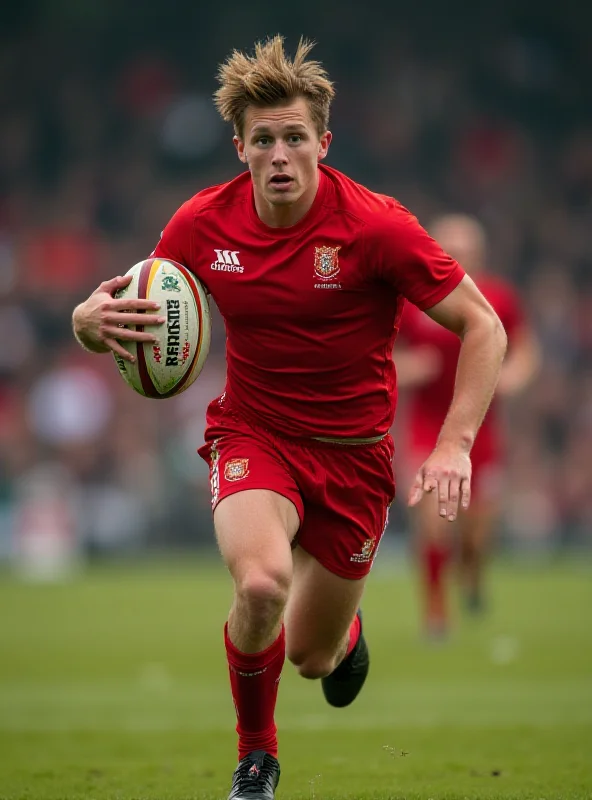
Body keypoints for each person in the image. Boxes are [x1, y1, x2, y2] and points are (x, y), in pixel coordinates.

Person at [72, 37, 508, 800]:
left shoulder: (377, 227)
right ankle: (257, 759)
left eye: (295, 137)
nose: (279, 154)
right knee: (264, 586)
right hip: (254, 436)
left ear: (323, 143)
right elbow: (131, 311)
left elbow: (484, 326)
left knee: (310, 657)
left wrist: (455, 445)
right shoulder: (200, 225)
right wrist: (86, 323)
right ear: (239, 146)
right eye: (263, 139)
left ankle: (344, 638)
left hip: (356, 459)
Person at [395, 213, 540, 638]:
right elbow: (382, 358)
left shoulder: (499, 298)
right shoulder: (412, 301)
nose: (457, 256)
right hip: (427, 427)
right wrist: (411, 367)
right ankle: (436, 611)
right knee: (434, 522)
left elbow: (525, 351)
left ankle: (473, 575)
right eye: (450, 249)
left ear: (480, 254)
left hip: (481, 429)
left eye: (466, 250)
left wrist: (514, 374)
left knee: (476, 535)